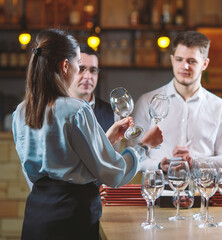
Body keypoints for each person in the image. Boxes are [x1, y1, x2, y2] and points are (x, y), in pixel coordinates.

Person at [12, 28, 162, 240]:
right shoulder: (77, 110)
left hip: (37, 215)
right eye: (78, 64)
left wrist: (106, 140)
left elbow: (59, 165)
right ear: (65, 66)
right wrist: (145, 147)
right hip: (73, 219)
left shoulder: (21, 111)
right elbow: (114, 174)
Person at [131, 30, 222, 172]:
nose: (184, 66)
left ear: (205, 64)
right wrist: (158, 166)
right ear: (172, 59)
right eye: (179, 59)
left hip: (202, 190)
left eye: (191, 61)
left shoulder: (219, 107)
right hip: (158, 189)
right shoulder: (146, 102)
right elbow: (134, 155)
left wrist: (196, 163)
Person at [68, 44, 114, 132]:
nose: (88, 76)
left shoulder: (112, 113)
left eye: (93, 70)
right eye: (81, 69)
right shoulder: (53, 110)